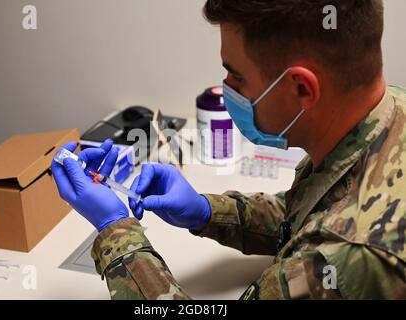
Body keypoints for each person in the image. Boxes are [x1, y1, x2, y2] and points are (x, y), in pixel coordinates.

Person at [52, 0, 406, 299]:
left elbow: (333, 235)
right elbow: (319, 209)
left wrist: (116, 231)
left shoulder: (343, 259)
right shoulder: (388, 109)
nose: (227, 90)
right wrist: (207, 211)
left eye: (236, 77)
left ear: (301, 88)